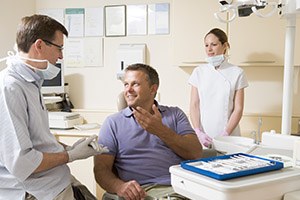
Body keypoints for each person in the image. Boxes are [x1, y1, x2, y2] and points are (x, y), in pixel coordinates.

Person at [0, 14, 107, 200]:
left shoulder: (31, 82)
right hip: (36, 191)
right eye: (59, 48)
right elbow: (22, 162)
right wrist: (71, 156)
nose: (61, 56)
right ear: (39, 45)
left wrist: (68, 148)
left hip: (55, 179)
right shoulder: (10, 88)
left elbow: (37, 140)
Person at [94, 63, 202, 200]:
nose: (128, 90)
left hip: (182, 187)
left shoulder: (175, 114)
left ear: (153, 89)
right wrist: (119, 187)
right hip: (142, 192)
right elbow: (101, 169)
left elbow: (195, 153)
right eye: (126, 84)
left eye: (135, 84)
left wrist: (160, 130)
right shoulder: (112, 123)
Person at [188, 28, 249, 148]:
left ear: (224, 45)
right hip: (204, 136)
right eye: (206, 45)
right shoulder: (198, 72)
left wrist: (226, 133)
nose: (209, 49)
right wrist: (197, 131)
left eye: (214, 45)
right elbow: (194, 105)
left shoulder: (237, 72)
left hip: (230, 137)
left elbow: (238, 108)